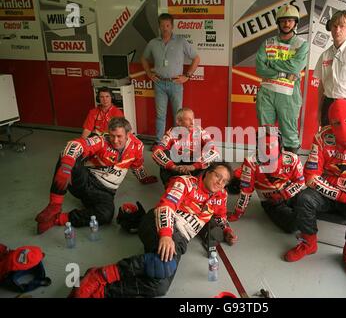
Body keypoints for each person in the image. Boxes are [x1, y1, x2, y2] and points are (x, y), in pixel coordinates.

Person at [69, 162, 238, 298]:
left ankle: (103, 291)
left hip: (180, 239)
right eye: (218, 176)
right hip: (160, 223)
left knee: (160, 287)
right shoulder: (185, 182)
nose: (219, 183)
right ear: (208, 172)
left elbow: (220, 217)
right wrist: (165, 235)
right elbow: (166, 206)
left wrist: (227, 230)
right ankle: (100, 276)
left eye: (224, 181)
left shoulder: (221, 196)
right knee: (163, 265)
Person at [283, 99, 346, 280]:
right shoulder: (322, 137)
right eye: (336, 123)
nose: (343, 127)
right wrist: (341, 192)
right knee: (303, 199)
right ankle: (309, 243)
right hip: (334, 194)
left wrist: (333, 183)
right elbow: (311, 176)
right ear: (330, 122)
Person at [35, 117, 158, 234]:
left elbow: (137, 165)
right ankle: (54, 206)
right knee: (66, 156)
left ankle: (58, 219)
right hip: (85, 181)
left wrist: (144, 178)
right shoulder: (102, 140)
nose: (115, 140)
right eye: (112, 136)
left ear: (128, 134)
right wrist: (67, 166)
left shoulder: (137, 146)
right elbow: (76, 144)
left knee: (106, 215)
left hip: (105, 192)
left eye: (119, 136)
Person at [228, 125, 306, 235]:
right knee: (293, 226)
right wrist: (237, 213)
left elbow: (300, 182)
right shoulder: (250, 162)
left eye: (273, 144)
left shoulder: (292, 158)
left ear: (280, 144)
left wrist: (284, 194)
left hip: (291, 193)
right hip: (271, 202)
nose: (269, 149)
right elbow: (246, 192)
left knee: (310, 203)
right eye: (264, 145)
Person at [255, 4, 308, 153]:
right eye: (283, 20)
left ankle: (290, 168)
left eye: (290, 20)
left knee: (290, 135)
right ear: (278, 22)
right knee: (266, 134)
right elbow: (260, 68)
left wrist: (270, 63)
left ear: (295, 23)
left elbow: (295, 67)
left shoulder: (301, 45)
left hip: (289, 95)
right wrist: (282, 73)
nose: (286, 24)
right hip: (266, 93)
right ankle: (268, 169)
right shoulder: (267, 43)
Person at [141, 13, 200, 142]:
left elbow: (196, 58)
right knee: (160, 115)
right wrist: (149, 73)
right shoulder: (153, 43)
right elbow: (144, 58)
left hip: (176, 84)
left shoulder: (181, 41)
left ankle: (178, 142)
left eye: (167, 25)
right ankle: (159, 143)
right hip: (159, 83)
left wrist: (187, 76)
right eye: (162, 25)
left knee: (178, 117)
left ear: (172, 26)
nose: (165, 28)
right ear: (159, 27)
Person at [152, 107, 220, 187]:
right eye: (188, 119)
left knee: (216, 159)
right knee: (164, 153)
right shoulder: (171, 133)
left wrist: (193, 166)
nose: (192, 122)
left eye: (193, 119)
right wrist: (173, 167)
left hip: (195, 164)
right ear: (179, 122)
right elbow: (157, 151)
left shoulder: (200, 132)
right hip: (177, 165)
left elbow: (214, 151)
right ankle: (172, 185)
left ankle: (197, 185)